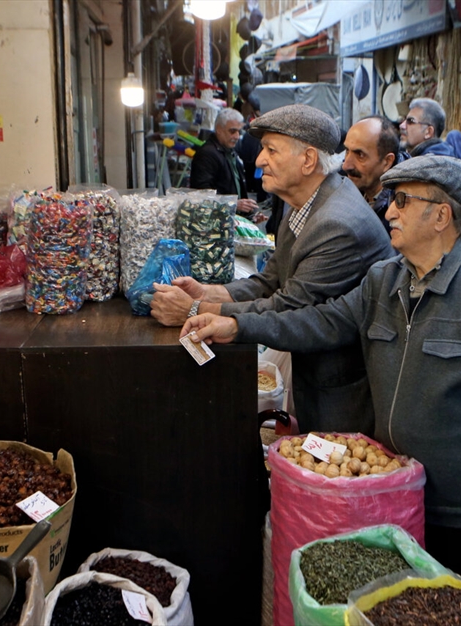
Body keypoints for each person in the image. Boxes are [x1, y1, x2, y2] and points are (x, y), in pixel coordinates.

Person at [182, 155, 461, 586]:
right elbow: (321, 320)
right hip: (391, 491)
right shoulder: (384, 279)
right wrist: (237, 325)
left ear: (441, 215)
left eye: (401, 200)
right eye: (389, 200)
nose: (389, 212)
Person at [152, 104, 393, 432]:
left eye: (270, 150)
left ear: (307, 160)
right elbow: (271, 280)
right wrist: (210, 292)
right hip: (317, 376)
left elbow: (288, 304)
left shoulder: (337, 223)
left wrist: (196, 309)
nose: (259, 160)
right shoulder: (304, 203)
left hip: (344, 392)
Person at [342, 115, 409, 233]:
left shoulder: (404, 209)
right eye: (347, 151)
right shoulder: (348, 191)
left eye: (360, 155)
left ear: (387, 162)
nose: (346, 165)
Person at [189, 107, 258, 218]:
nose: (236, 136)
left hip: (231, 219)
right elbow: (202, 194)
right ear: (219, 130)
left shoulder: (230, 150)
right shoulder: (207, 154)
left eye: (238, 131)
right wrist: (233, 204)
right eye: (232, 131)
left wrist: (249, 215)